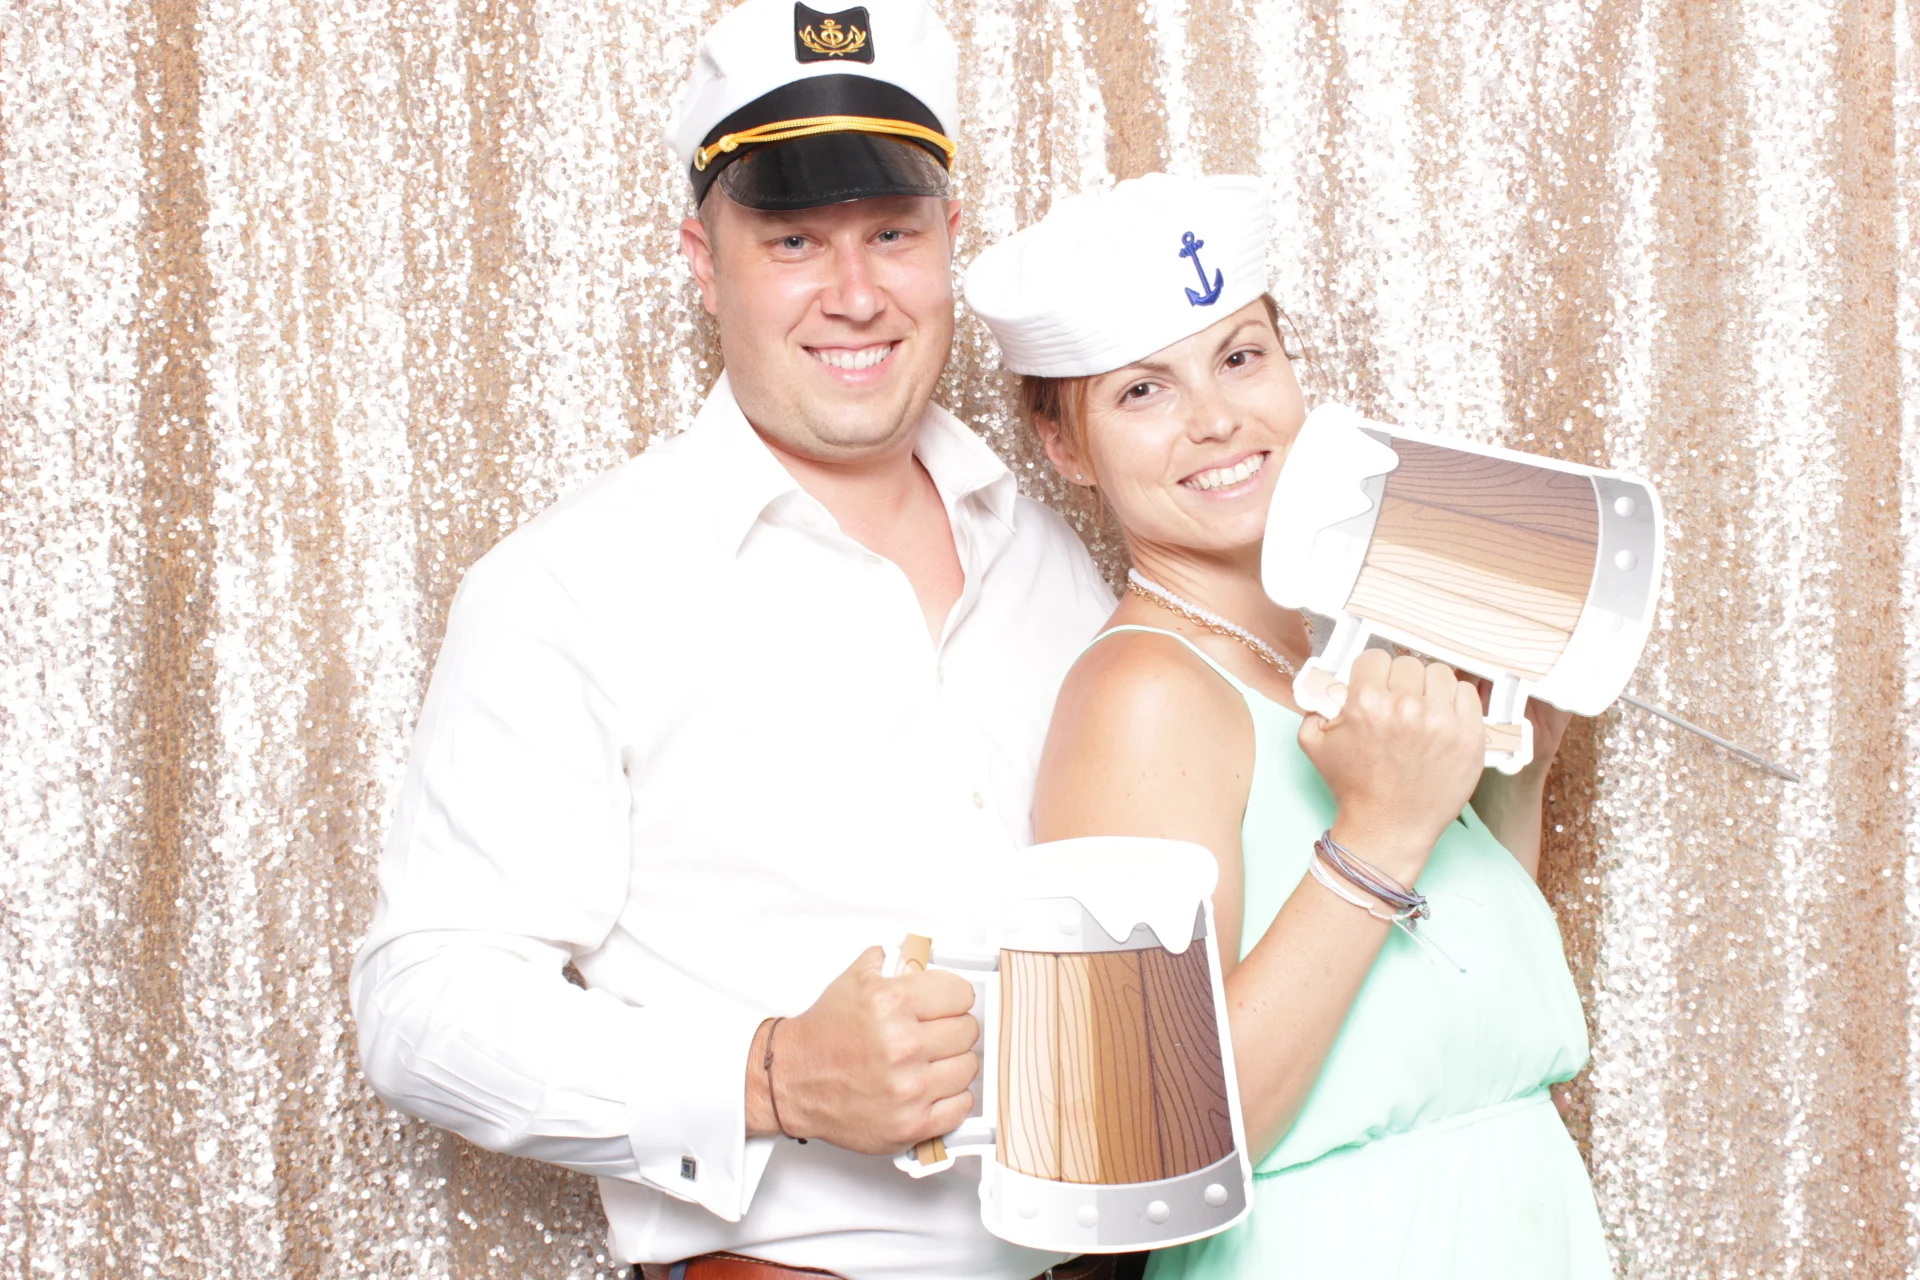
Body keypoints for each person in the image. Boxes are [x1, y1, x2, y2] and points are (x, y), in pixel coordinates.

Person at [348, 2, 1117, 1276]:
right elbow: (421, 1003)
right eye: (794, 239)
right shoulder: (568, 586)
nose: (856, 294)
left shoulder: (1051, 556)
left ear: (951, 238)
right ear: (703, 262)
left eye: (891, 232)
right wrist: (770, 1073)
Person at [964, 173, 1611, 1278]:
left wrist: (1516, 769)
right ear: (1062, 444)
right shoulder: (1141, 695)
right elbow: (1148, 1148)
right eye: (1142, 391)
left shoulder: (1328, 661)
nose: (1217, 419)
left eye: (1240, 356)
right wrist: (1380, 831)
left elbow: (1455, 1000)